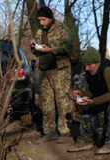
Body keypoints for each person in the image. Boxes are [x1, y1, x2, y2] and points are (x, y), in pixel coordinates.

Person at [31, 6, 73, 140]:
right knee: (46, 102)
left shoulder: (61, 28)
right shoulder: (39, 32)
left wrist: (51, 50)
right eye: (39, 20)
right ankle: (49, 131)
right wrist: (33, 47)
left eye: (43, 19)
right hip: (44, 71)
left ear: (49, 18)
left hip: (60, 69)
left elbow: (67, 47)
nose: (41, 22)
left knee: (62, 100)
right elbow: (37, 51)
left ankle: (65, 130)